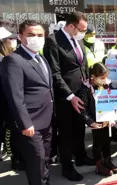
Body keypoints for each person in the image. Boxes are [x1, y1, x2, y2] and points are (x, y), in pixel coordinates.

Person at [1, 20, 54, 185]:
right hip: (31, 125)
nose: (36, 38)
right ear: (20, 37)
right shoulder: (13, 60)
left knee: (45, 160)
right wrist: (25, 124)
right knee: (36, 164)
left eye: (39, 35)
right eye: (31, 35)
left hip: (47, 120)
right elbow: (15, 95)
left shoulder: (41, 58)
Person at [43, 11, 94, 181]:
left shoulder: (77, 39)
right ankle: (67, 166)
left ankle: (80, 156)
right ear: (71, 26)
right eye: (81, 29)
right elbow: (55, 73)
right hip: (65, 97)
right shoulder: (53, 41)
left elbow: (83, 63)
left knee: (80, 128)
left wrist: (89, 82)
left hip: (82, 92)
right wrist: (70, 96)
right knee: (66, 132)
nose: (83, 33)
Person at [76, 62, 117, 176]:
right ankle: (99, 165)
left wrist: (113, 117)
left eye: (106, 77)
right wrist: (91, 122)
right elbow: (82, 109)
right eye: (102, 78)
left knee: (107, 141)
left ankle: (108, 161)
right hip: (95, 121)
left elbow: (111, 101)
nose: (105, 80)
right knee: (98, 143)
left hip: (106, 118)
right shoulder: (86, 88)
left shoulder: (106, 85)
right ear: (93, 77)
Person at [0, 27, 24, 168]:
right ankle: (16, 159)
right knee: (11, 132)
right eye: (10, 39)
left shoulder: (9, 57)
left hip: (11, 100)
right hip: (5, 102)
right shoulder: (3, 60)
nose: (13, 41)